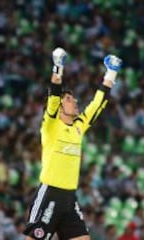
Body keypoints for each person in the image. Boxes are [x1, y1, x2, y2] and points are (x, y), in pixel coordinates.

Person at [23, 47, 122, 240]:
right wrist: (58, 68)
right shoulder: (51, 125)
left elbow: (96, 106)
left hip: (69, 197)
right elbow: (53, 95)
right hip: (50, 193)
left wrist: (111, 73)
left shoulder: (78, 126)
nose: (75, 101)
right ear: (59, 107)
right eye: (69, 99)